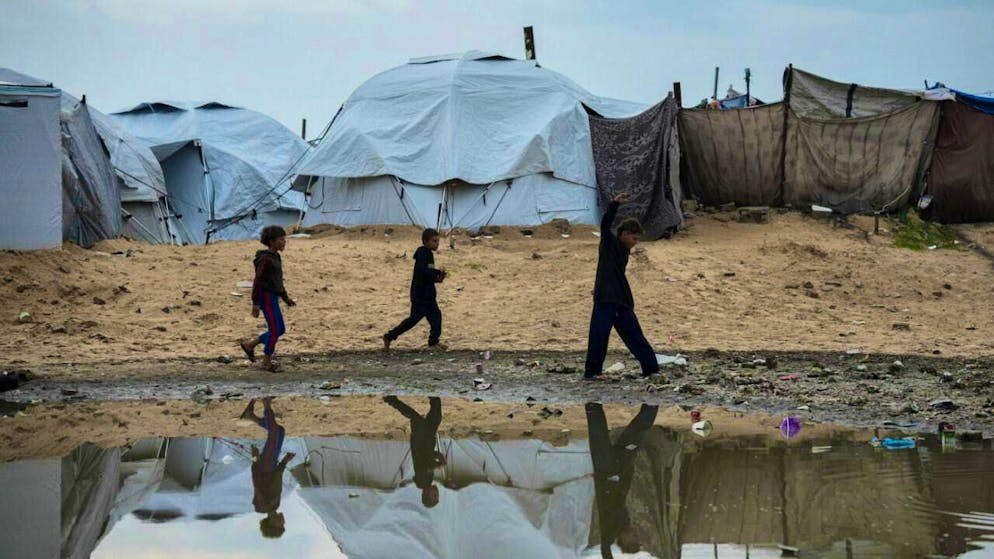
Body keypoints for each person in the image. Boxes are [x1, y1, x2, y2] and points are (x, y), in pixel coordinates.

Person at [584, 192, 659, 380]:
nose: (635, 244)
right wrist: (614, 205)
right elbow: (606, 224)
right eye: (634, 239)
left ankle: (651, 370)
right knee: (599, 336)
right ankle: (593, 372)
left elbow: (611, 274)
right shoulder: (609, 244)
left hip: (621, 300)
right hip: (605, 299)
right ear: (624, 234)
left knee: (635, 337)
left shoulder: (624, 252)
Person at [585, 402, 658, 558]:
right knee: (635, 436)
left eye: (634, 538)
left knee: (598, 435)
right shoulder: (624, 523)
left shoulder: (610, 531)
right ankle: (651, 406)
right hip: (621, 469)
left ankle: (593, 405)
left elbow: (605, 550)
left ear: (624, 540)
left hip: (607, 472)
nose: (636, 534)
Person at [240, 225, 296, 372]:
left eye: (285, 239)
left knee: (280, 329)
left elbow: (277, 280)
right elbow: (258, 280)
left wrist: (285, 297)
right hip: (265, 297)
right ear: (271, 241)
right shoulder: (264, 259)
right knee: (274, 329)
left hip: (273, 297)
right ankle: (266, 362)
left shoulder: (276, 257)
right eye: (281, 239)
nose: (284, 242)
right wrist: (256, 303)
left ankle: (250, 344)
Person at [383, 228, 447, 351]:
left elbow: (428, 275)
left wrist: (438, 277)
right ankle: (389, 336)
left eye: (438, 241)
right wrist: (437, 272)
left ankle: (433, 342)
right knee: (412, 321)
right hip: (420, 295)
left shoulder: (428, 254)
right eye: (434, 241)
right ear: (425, 241)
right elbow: (423, 271)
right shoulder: (423, 253)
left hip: (428, 295)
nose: (437, 244)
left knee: (436, 318)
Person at [242, 397, 296, 538]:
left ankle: (266, 404)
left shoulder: (264, 505)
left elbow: (257, 481)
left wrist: (255, 459)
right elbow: (277, 478)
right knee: (280, 431)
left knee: (274, 434)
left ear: (271, 522)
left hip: (265, 466)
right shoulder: (274, 505)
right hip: (270, 466)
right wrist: (284, 460)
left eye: (280, 524)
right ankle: (251, 417)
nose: (283, 521)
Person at [383, 395, 446, 508]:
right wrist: (438, 456)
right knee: (435, 416)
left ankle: (391, 400)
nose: (437, 493)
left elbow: (424, 465)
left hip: (420, 439)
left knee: (415, 417)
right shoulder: (428, 480)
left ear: (426, 494)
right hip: (427, 438)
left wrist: (437, 465)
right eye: (437, 496)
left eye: (434, 496)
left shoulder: (422, 482)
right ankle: (433, 395)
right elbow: (427, 457)